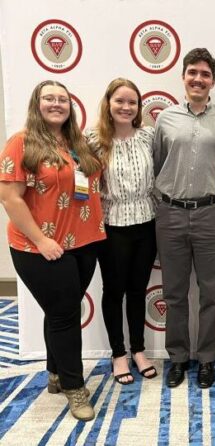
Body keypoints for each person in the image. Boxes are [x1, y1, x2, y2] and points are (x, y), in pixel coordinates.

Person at [0, 80, 104, 421]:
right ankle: (76, 389)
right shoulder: (21, 143)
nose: (56, 104)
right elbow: (10, 198)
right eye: (49, 98)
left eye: (62, 99)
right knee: (64, 316)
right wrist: (42, 241)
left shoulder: (76, 142)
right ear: (37, 103)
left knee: (62, 309)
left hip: (83, 242)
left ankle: (55, 373)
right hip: (39, 245)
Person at [153, 48, 215, 389]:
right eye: (193, 72)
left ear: (213, 81)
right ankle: (177, 358)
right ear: (183, 76)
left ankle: (206, 360)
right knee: (174, 293)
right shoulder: (165, 119)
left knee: (210, 294)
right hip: (171, 213)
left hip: (210, 214)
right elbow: (159, 162)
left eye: (205, 74)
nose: (198, 79)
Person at [86, 78, 157, 385]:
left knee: (138, 289)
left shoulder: (149, 137)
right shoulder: (92, 140)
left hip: (146, 222)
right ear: (108, 103)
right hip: (112, 226)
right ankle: (118, 354)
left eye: (132, 102)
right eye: (120, 101)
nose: (126, 107)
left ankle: (138, 350)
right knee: (114, 292)